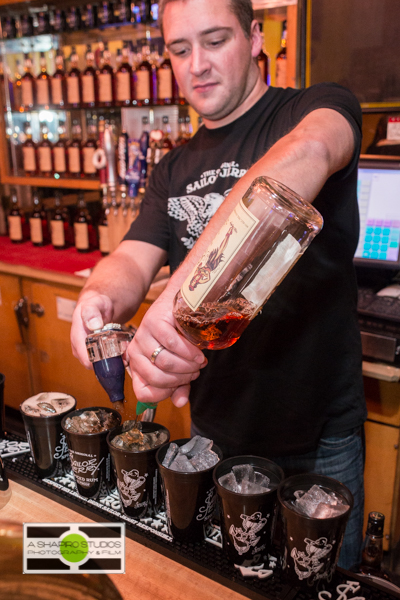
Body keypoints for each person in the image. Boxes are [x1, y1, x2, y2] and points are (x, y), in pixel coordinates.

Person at [71, 0, 367, 569]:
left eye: (215, 41)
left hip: (320, 435)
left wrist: (178, 299)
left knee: (322, 584)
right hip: (213, 432)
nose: (197, 64)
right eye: (180, 50)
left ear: (255, 38)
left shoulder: (317, 107)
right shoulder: (172, 168)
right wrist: (98, 296)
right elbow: (132, 258)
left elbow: (308, 153)